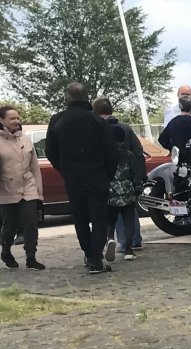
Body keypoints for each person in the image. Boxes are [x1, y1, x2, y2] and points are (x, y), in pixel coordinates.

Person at [45, 83, 121, 273]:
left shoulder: (57, 120)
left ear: (67, 97)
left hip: (73, 177)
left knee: (79, 217)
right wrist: (107, 174)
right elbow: (111, 152)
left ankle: (88, 253)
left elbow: (50, 151)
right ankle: (95, 257)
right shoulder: (96, 121)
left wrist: (64, 169)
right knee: (98, 218)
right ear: (87, 97)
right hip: (97, 175)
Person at [93, 98, 145, 259]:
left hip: (107, 185)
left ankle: (109, 238)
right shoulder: (125, 129)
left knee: (109, 217)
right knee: (129, 216)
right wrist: (140, 180)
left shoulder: (95, 130)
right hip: (127, 185)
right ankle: (130, 246)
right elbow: (138, 152)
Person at [0, 105, 45, 270]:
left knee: (31, 222)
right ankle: (5, 251)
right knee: (9, 224)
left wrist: (39, 191)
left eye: (18, 118)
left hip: (28, 186)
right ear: (2, 120)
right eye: (12, 118)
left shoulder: (25, 139)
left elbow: (35, 167)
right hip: (6, 188)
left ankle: (31, 256)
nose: (16, 121)